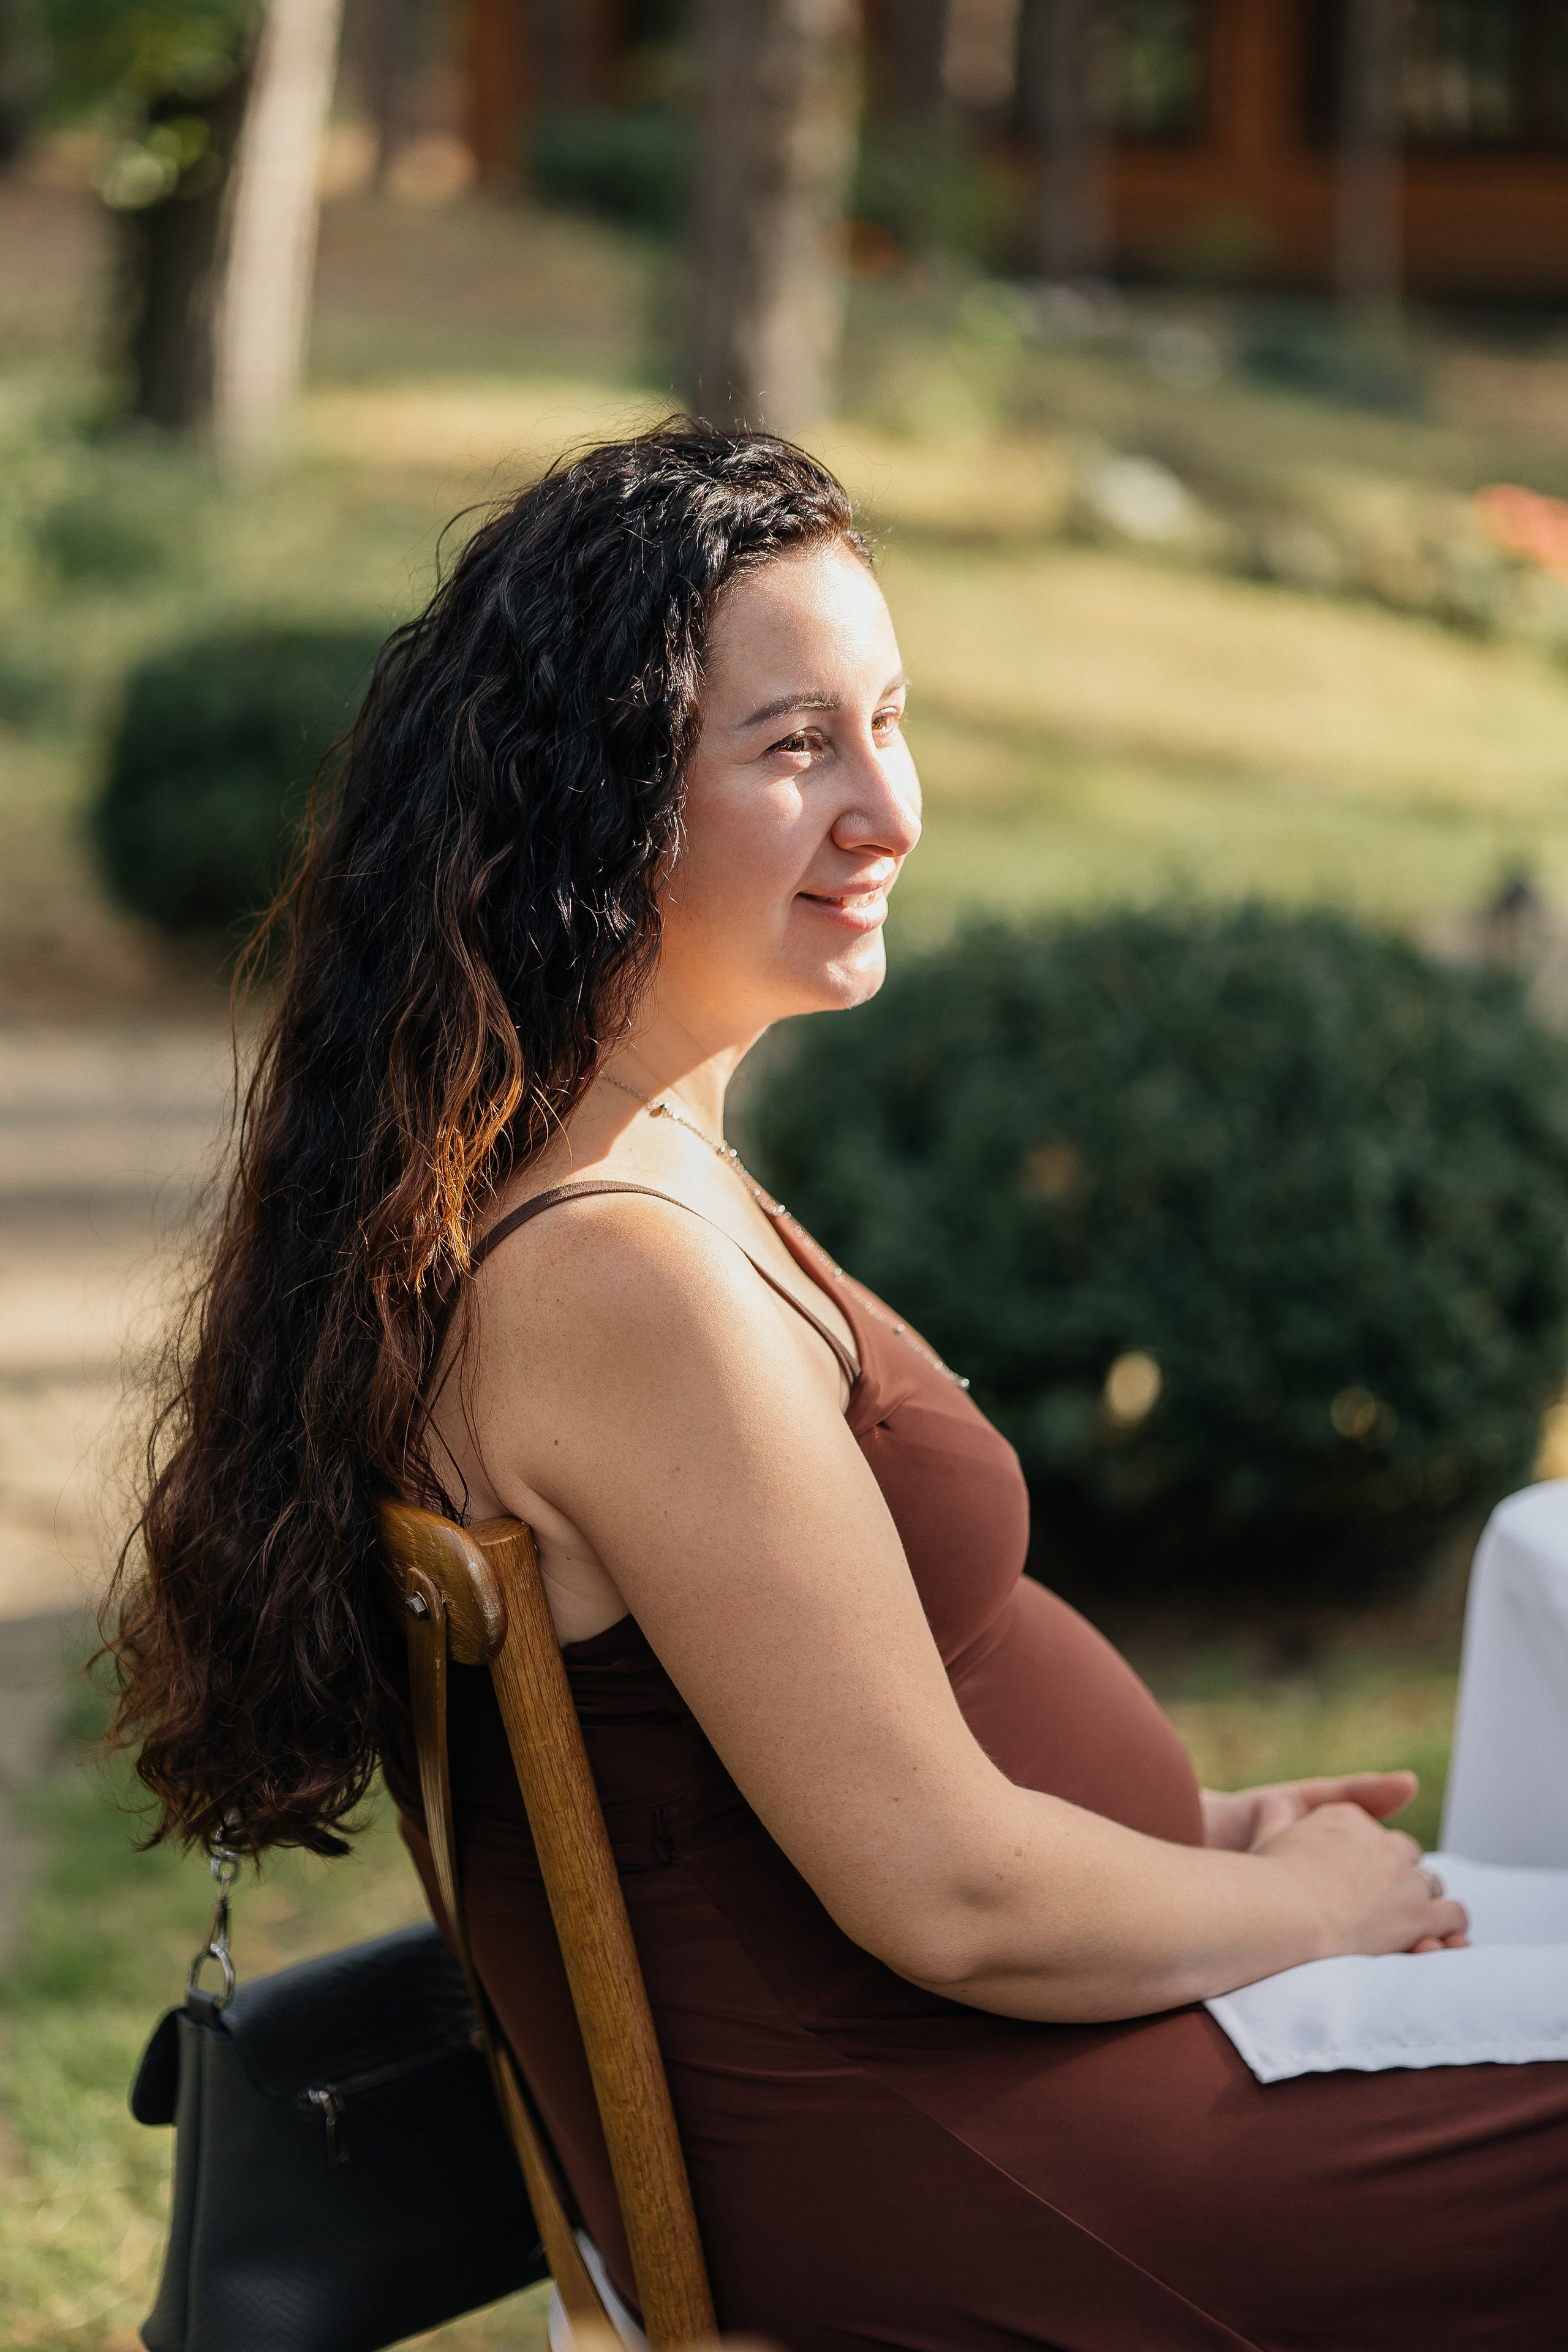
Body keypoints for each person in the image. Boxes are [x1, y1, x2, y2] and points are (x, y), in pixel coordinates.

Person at [111, 429, 1566, 2351]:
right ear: (592, 805)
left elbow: (782, 1760)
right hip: (970, 2148)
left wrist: (1193, 1837)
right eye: (797, 746)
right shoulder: (612, 1279)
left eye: (889, 722)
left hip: (986, 2069)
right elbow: (949, 1898)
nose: (888, 806)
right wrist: (1309, 1911)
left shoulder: (626, 1173)